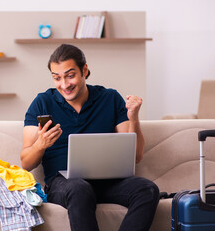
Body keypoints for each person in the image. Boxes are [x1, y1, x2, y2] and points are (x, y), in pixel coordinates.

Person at [21, 44, 159, 231]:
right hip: (64, 185)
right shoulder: (42, 103)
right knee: (79, 187)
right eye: (57, 78)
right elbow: (26, 163)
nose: (64, 84)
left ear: (84, 70)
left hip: (107, 181)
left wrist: (133, 117)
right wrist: (41, 144)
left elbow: (136, 156)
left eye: (70, 75)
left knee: (147, 189)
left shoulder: (109, 98)